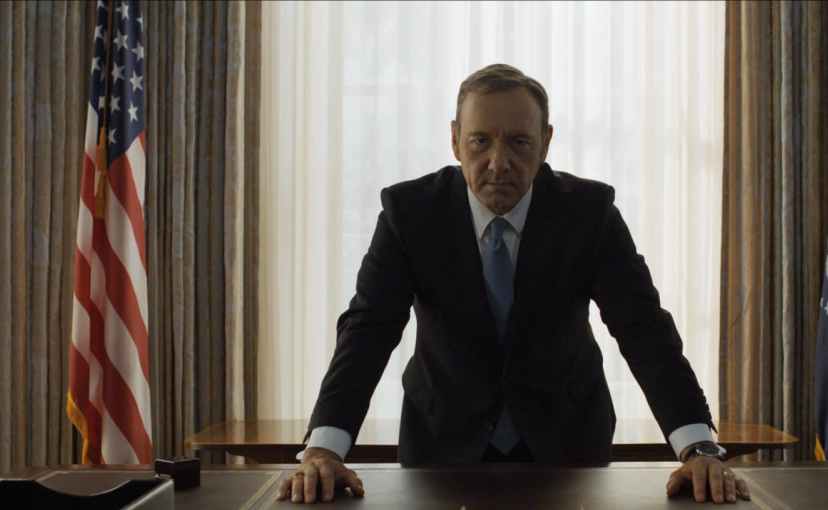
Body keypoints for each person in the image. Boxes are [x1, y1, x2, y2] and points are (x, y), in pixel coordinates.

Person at [276, 64, 750, 505]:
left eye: (519, 142)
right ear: (455, 141)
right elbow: (368, 330)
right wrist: (325, 449)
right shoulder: (410, 214)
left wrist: (697, 446)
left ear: (545, 143)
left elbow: (644, 329)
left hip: (569, 446)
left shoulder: (590, 214)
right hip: (441, 447)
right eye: (480, 141)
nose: (498, 162)